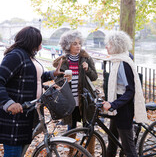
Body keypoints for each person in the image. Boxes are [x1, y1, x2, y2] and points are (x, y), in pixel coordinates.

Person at [0, 26, 63, 157]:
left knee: (19, 152)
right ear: (31, 41)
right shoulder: (16, 56)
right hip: (15, 116)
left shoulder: (28, 56)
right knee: (13, 153)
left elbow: (33, 77)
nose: (40, 46)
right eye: (39, 42)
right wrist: (8, 103)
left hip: (27, 112)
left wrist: (52, 74)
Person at [103, 30, 148, 157]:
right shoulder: (117, 60)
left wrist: (114, 104)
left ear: (117, 46)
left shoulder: (123, 63)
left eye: (109, 44)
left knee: (129, 148)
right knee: (112, 142)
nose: (106, 46)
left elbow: (130, 91)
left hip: (123, 108)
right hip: (116, 105)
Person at [53, 30, 98, 156]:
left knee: (89, 127)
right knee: (71, 127)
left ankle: (91, 153)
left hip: (85, 100)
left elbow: (94, 77)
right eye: (74, 43)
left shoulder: (86, 59)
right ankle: (71, 153)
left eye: (79, 43)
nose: (78, 46)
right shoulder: (62, 61)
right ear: (68, 46)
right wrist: (62, 81)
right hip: (70, 101)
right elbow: (57, 81)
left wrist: (87, 69)